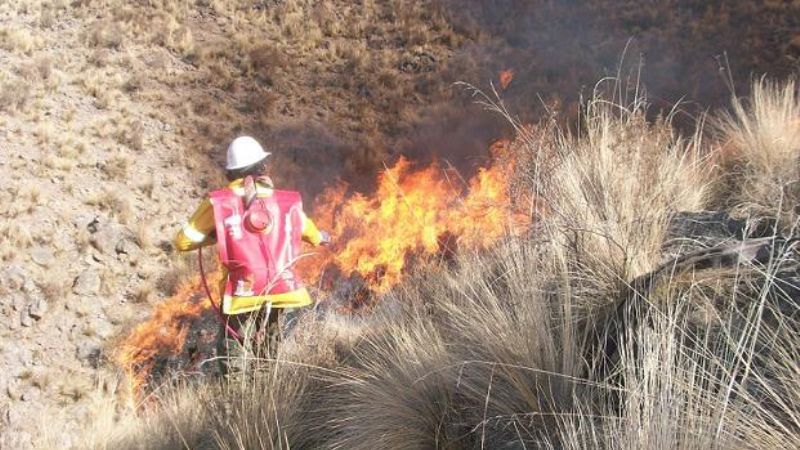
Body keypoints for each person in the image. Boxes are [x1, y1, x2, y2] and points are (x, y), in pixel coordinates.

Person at [175, 136, 329, 375]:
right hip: (281, 288)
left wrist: (217, 235)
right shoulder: (287, 201)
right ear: (262, 167)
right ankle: (267, 396)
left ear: (231, 172)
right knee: (269, 350)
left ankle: (236, 402)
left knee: (234, 350)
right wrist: (322, 236)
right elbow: (313, 235)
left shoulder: (219, 202)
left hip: (241, 293)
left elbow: (184, 241)